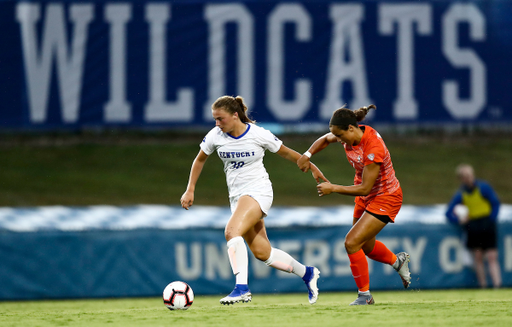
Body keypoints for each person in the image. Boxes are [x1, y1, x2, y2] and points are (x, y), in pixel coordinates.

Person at [180, 95, 327, 305]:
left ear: (234, 115)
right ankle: (307, 273)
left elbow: (286, 153)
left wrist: (311, 166)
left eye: (220, 118)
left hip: (259, 191)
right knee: (262, 253)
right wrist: (190, 190)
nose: (217, 123)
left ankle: (241, 289)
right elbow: (200, 159)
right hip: (237, 197)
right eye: (215, 119)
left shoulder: (258, 134)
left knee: (231, 232)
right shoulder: (215, 136)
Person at [296, 104, 411, 305]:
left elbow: (366, 187)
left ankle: (365, 296)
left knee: (351, 242)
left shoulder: (372, 146)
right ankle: (397, 261)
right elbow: (325, 139)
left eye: (340, 136)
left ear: (351, 128)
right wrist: (307, 155)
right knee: (365, 246)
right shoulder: (347, 134)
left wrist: (333, 188)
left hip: (386, 197)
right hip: (365, 197)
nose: (338, 140)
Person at [445, 163, 501, 288]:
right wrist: (459, 220)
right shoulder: (461, 194)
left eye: (469, 176)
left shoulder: (483, 188)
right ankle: (483, 285)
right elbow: (448, 213)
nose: (468, 179)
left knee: (492, 256)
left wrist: (491, 219)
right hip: (473, 225)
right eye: (465, 177)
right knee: (478, 257)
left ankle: (497, 286)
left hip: (486, 223)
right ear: (461, 179)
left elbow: (495, 203)